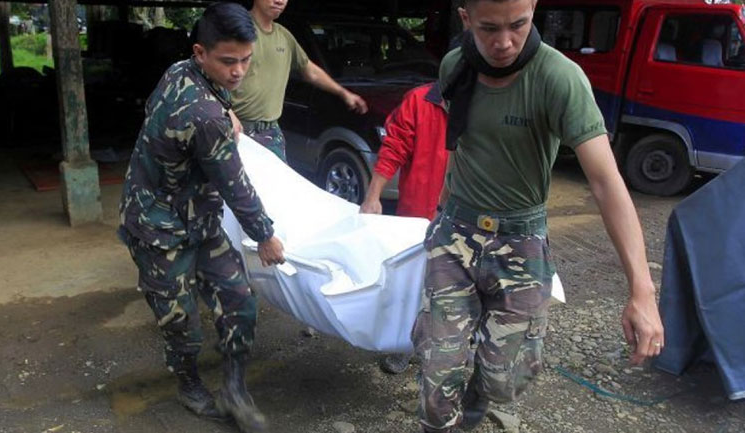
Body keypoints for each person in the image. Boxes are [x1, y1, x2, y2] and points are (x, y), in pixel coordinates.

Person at [413, 1, 665, 432]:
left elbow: (606, 183)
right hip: (454, 234)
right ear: (465, 19)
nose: (504, 42)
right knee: (437, 376)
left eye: (518, 25)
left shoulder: (559, 78)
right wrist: (439, 217)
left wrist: (642, 291)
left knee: (504, 376)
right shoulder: (456, 65)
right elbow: (462, 148)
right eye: (489, 28)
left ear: (533, 8)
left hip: (520, 241)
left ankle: (476, 402)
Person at [117, 4, 284, 432]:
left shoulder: (182, 72)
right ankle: (190, 384)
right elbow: (235, 184)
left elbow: (202, 104)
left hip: (199, 217)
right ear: (200, 52)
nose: (239, 72)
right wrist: (265, 236)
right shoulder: (203, 116)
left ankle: (233, 386)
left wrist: (225, 108)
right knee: (181, 322)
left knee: (239, 300)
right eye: (228, 61)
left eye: (246, 60)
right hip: (158, 226)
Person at [359, 81, 448, 374]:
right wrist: (373, 196)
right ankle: (404, 344)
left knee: (457, 284)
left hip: (466, 214)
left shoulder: (489, 102)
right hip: (418, 213)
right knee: (413, 282)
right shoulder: (420, 100)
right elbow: (394, 146)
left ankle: (452, 348)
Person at [228, 0, 368, 162]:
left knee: (274, 186)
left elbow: (309, 70)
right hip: (234, 129)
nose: (279, 1)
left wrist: (343, 93)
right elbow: (206, 75)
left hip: (270, 131)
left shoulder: (284, 36)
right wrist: (227, 112)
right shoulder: (234, 30)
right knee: (227, 186)